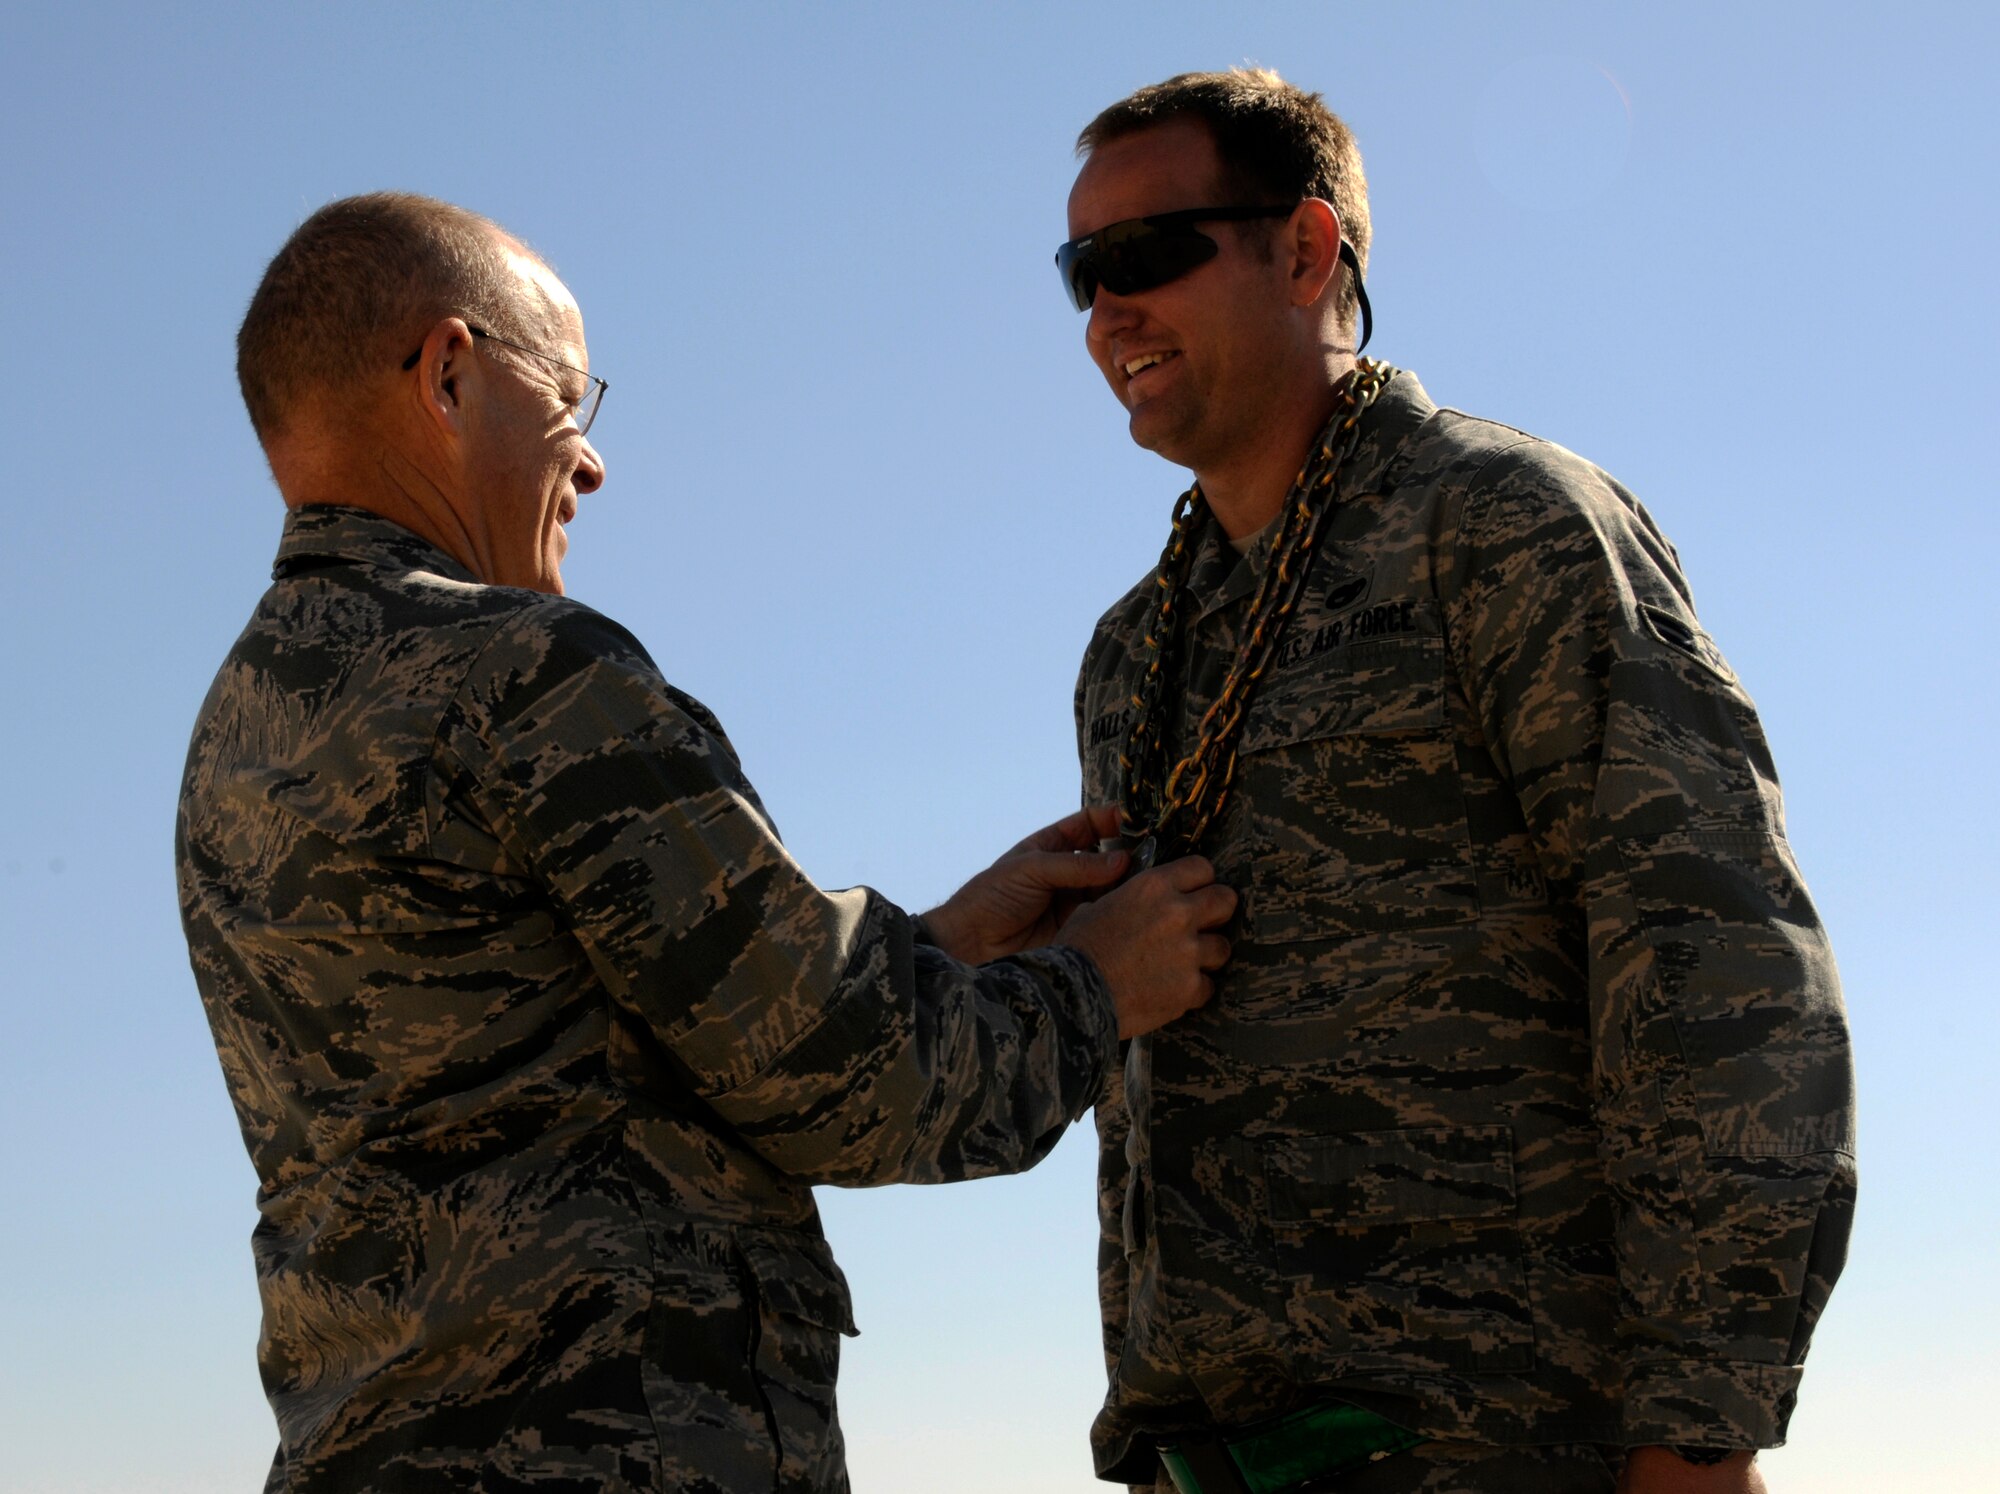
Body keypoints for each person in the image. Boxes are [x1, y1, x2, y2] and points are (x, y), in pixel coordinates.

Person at [176, 191, 1238, 1494]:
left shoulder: (244, 730)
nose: (594, 459)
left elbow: (555, 1052)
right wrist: (1096, 982)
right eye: (570, 395)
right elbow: (854, 1086)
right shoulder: (525, 667)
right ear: (450, 372)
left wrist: (934, 942)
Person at [1057, 71, 1855, 1494]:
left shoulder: (1498, 525)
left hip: (1496, 1440)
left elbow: (1716, 966)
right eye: (1079, 273)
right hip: (1210, 1458)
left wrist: (1697, 1431)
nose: (1106, 310)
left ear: (1306, 251)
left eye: (1145, 255)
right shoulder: (1134, 652)